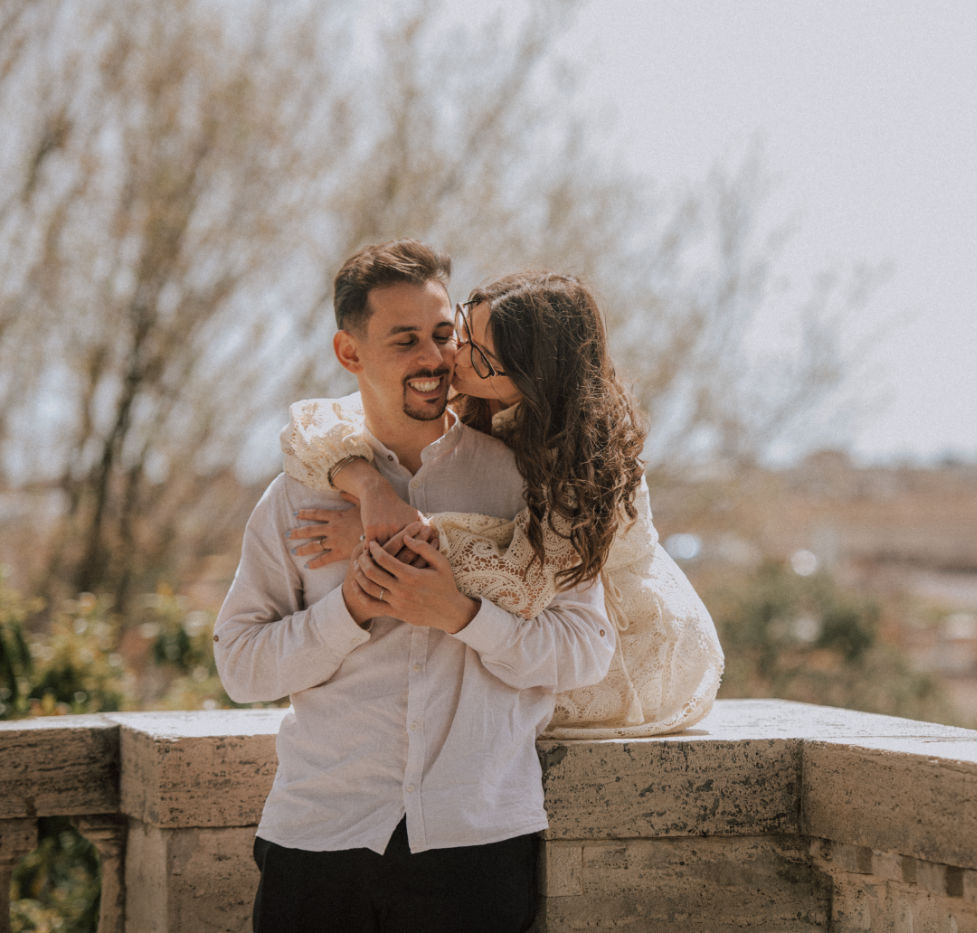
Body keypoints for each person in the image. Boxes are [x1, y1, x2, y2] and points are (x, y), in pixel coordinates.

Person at [213, 241, 614, 932]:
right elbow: (240, 664)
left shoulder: (526, 484)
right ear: (350, 354)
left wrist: (461, 615)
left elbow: (586, 650)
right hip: (317, 837)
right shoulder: (298, 498)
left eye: (441, 334)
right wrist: (350, 609)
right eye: (404, 340)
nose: (435, 359)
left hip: (476, 846)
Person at [279, 271, 723, 738]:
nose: (455, 358)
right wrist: (371, 489)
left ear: (534, 377)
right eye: (463, 333)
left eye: (483, 358)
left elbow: (524, 582)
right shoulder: (469, 386)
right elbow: (309, 425)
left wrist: (396, 533)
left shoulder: (583, 462)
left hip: (619, 647)